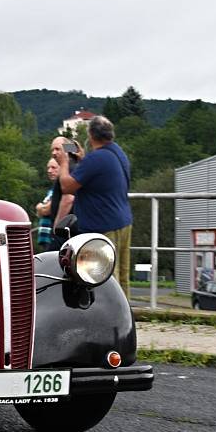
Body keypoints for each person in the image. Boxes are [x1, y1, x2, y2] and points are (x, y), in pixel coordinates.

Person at [55, 116, 133, 297]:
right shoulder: (117, 153)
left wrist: (65, 163)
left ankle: (108, 318)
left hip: (103, 225)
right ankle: (126, 314)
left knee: (105, 278)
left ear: (90, 135)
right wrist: (82, 159)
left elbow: (67, 186)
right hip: (123, 221)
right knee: (122, 276)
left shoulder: (96, 158)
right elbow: (99, 178)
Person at [45, 137, 76, 251]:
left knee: (52, 262)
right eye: (52, 150)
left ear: (67, 150)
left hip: (64, 228)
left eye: (57, 149)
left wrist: (57, 226)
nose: (54, 153)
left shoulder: (68, 168)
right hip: (68, 227)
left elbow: (68, 198)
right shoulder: (73, 166)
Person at [35, 158, 60, 248]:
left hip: (53, 238)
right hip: (46, 239)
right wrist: (41, 209)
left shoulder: (61, 189)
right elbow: (39, 214)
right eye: (48, 168)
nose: (49, 171)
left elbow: (46, 210)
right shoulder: (51, 190)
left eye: (53, 167)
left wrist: (39, 207)